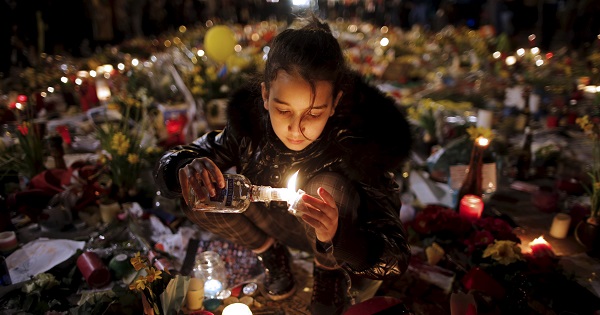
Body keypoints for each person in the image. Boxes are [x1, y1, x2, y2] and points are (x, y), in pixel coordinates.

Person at [154, 14, 412, 314]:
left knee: (325, 188)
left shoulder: (360, 144)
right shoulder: (249, 127)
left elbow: (396, 256)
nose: (296, 128)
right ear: (265, 95)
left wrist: (339, 236)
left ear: (335, 103)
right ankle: (270, 253)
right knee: (196, 193)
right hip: (271, 221)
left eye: (313, 113)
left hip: (328, 237)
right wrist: (184, 166)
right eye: (283, 110)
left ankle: (327, 272)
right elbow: (179, 163)